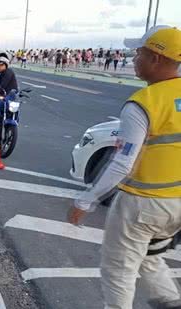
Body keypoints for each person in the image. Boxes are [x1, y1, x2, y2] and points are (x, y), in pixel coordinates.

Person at [67, 25, 181, 309]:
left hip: (142, 205)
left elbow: (123, 163)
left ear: (156, 58)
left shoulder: (144, 103)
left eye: (139, 53)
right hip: (176, 204)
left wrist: (86, 200)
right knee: (150, 256)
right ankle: (170, 302)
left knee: (118, 271)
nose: (133, 59)